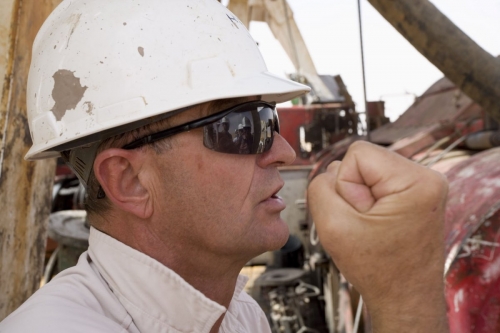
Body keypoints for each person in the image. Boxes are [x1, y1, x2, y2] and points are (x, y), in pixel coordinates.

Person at [0, 0, 449, 332]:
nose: (283, 151)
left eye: (268, 119)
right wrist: (405, 297)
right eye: (242, 126)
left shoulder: (240, 316)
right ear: (130, 180)